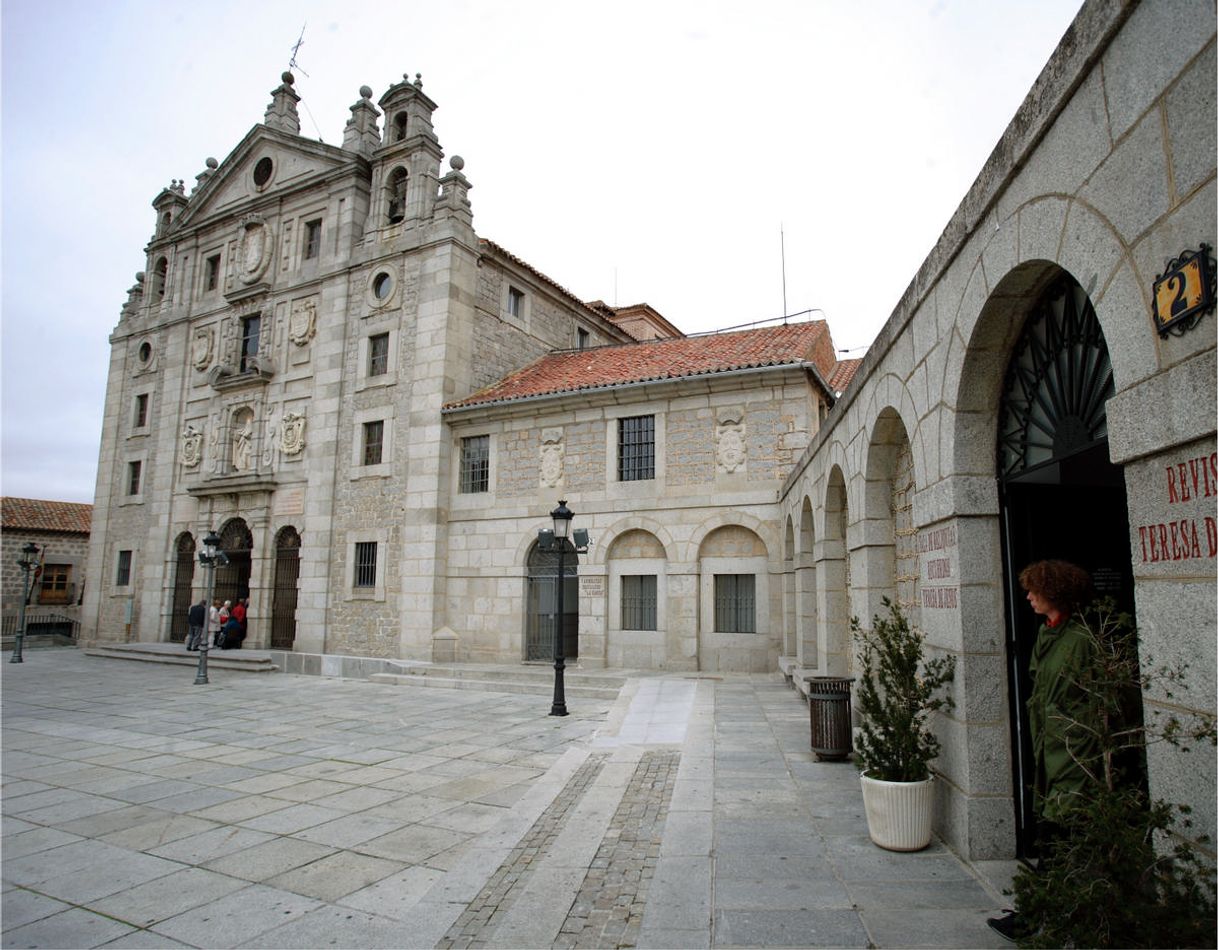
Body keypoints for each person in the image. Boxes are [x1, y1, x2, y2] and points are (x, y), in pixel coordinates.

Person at [988, 559, 1097, 943]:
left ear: (1055, 593)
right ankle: (1041, 913)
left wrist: (1072, 743)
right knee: (1052, 835)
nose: (1029, 596)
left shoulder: (1080, 641)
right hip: (1047, 751)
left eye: (1035, 590)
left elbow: (1087, 704)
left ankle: (1037, 917)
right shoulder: (1047, 634)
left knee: (1056, 838)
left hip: (1070, 754)